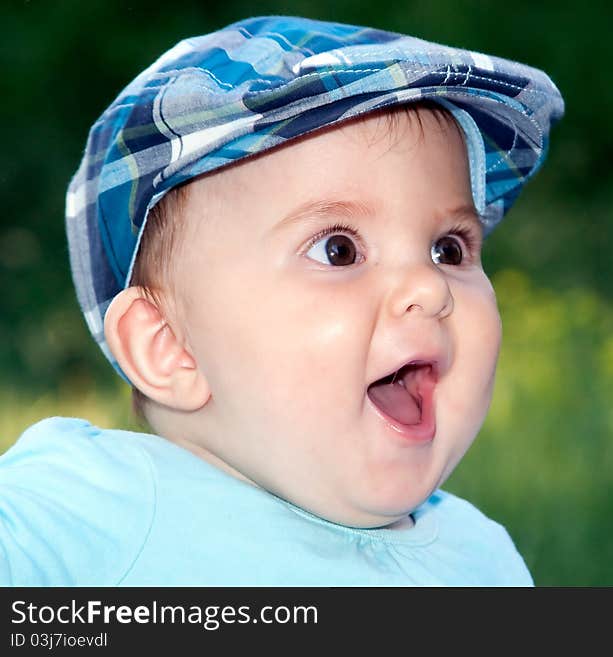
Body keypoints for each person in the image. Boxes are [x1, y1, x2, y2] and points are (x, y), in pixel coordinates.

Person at [0, 15, 563, 585]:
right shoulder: (93, 510)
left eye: (448, 249)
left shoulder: (482, 559)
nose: (429, 287)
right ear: (170, 347)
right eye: (339, 250)